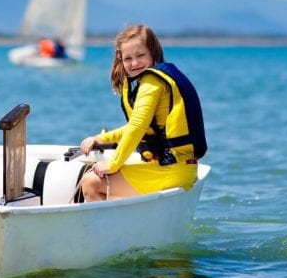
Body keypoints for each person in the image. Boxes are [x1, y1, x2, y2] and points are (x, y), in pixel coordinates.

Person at [78, 24, 207, 201]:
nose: (135, 63)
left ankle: (109, 228)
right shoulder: (158, 79)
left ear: (153, 53)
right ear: (120, 59)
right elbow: (141, 126)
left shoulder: (151, 82)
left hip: (171, 171)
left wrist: (113, 164)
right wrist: (101, 139)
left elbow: (138, 126)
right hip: (181, 168)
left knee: (90, 182)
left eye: (140, 55)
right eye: (128, 58)